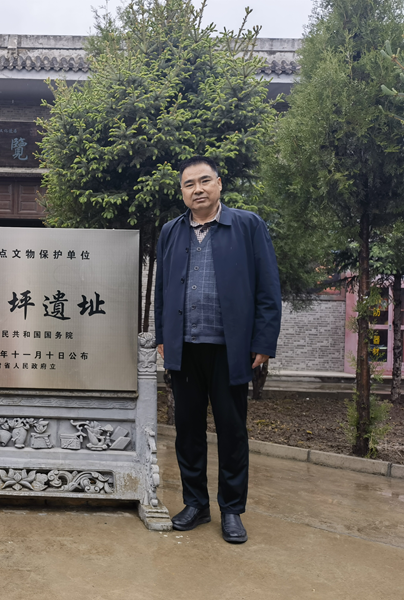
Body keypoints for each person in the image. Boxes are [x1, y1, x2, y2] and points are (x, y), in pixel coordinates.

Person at [154, 156, 282, 544]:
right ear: (182, 191)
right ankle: (195, 504)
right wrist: (163, 337)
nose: (198, 189)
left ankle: (231, 510)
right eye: (189, 184)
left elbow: (268, 288)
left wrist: (263, 341)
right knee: (188, 431)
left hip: (231, 349)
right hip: (185, 348)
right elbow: (162, 291)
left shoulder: (247, 225)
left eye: (204, 181)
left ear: (219, 184)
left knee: (231, 431)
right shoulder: (171, 232)